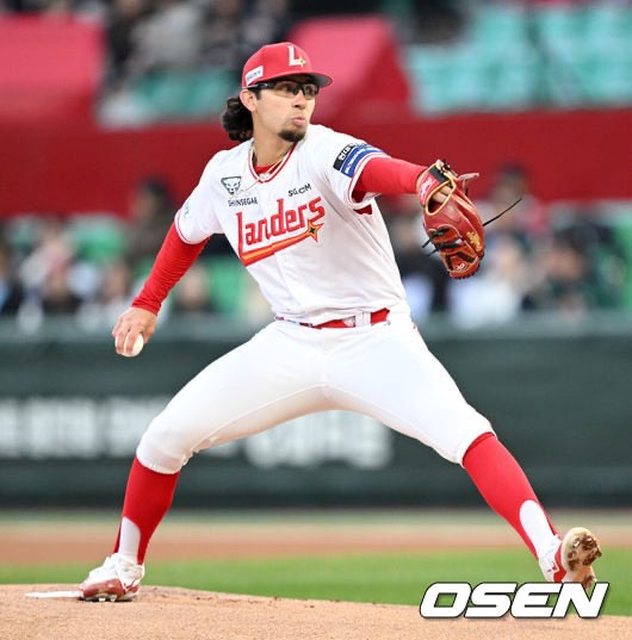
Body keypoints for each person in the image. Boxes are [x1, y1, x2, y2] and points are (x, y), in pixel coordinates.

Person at [79, 41, 601, 602]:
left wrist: (423, 181)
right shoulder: (223, 175)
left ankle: (551, 555)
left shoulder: (325, 150)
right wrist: (148, 301)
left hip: (375, 339)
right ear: (250, 98)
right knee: (164, 437)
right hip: (290, 342)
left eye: (307, 90)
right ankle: (123, 565)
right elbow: (185, 234)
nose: (301, 100)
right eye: (286, 89)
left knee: (467, 432)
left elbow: (377, 170)